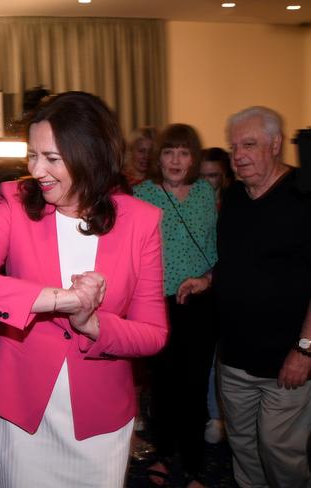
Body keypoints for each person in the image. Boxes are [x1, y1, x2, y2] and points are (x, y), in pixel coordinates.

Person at [0, 91, 168, 487]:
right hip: (21, 406)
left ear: (91, 155)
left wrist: (92, 323)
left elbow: (153, 333)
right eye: (32, 154)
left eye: (52, 158)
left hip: (100, 412)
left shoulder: (141, 222)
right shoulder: (16, 202)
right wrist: (60, 300)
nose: (36, 169)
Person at [178, 106, 311, 488]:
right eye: (234, 146)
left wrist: (304, 349)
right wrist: (207, 279)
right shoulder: (236, 196)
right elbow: (235, 263)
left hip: (286, 362)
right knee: (244, 450)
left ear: (275, 144)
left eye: (249, 144)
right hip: (234, 358)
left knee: (280, 451)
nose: (238, 155)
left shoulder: (304, 197)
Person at [133, 124, 217, 488]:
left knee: (196, 385)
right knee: (163, 385)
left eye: (184, 153)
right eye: (169, 152)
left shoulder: (205, 193)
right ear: (158, 157)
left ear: (194, 158)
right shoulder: (140, 195)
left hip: (199, 302)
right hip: (156, 304)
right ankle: (164, 454)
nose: (176, 160)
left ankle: (195, 465)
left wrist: (209, 279)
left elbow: (217, 247)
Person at [199, 146, 234, 445]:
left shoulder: (235, 204)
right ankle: (214, 416)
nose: (208, 182)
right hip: (205, 293)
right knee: (210, 361)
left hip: (233, 293)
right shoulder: (195, 204)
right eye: (203, 175)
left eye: (214, 176)